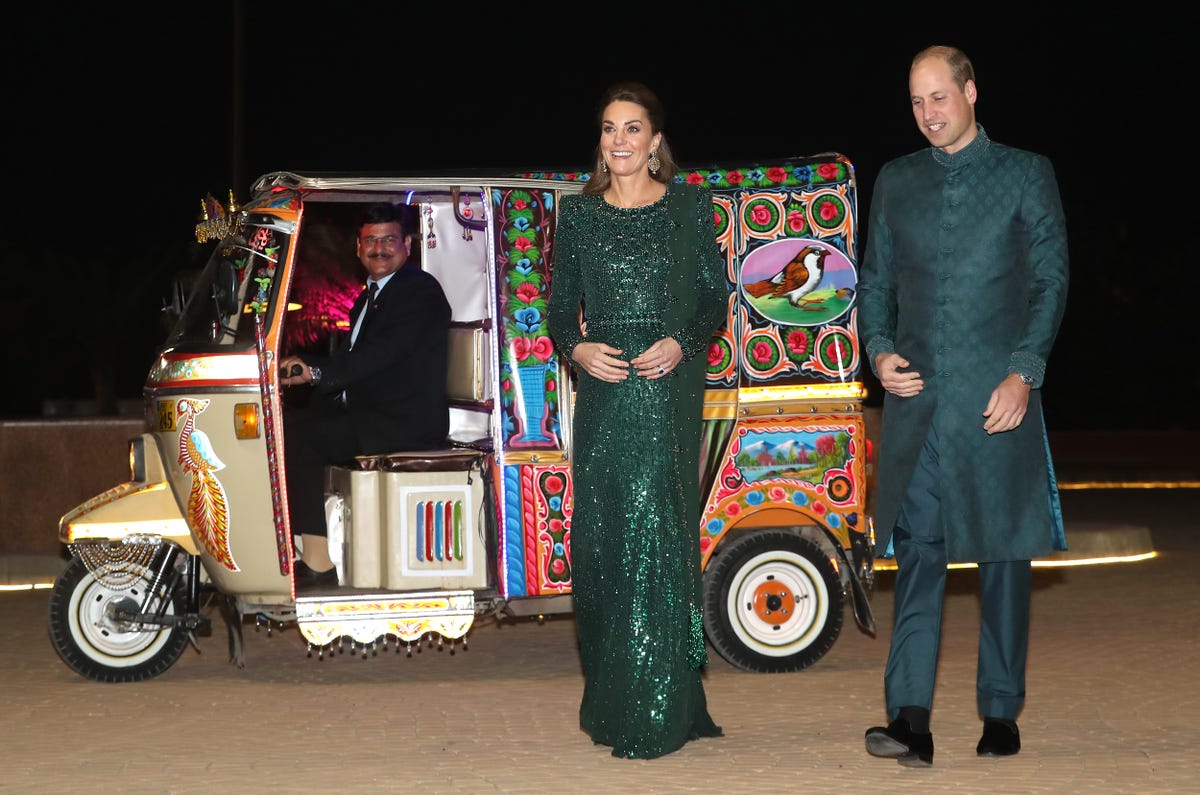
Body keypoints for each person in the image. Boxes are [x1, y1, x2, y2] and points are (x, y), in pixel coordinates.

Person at [856, 45, 1069, 767]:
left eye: (939, 97)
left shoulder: (1024, 172)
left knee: (1004, 554)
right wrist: (880, 351)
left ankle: (1000, 710)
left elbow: (1050, 279)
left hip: (996, 403)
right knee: (919, 554)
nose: (927, 114)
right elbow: (874, 283)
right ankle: (910, 718)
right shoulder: (897, 180)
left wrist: (1023, 371)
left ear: (972, 91)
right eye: (916, 102)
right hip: (919, 411)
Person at [546, 81, 727, 759]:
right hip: (604, 390)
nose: (618, 140)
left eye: (631, 129)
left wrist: (682, 340)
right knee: (603, 540)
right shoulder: (581, 215)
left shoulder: (689, 206)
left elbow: (714, 295)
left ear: (655, 141)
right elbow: (562, 309)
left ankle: (657, 710)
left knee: (654, 531)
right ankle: (614, 696)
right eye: (608, 129)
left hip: (666, 382)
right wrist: (578, 348)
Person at [279, 202, 451, 591]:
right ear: (357, 249)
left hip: (403, 423)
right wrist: (301, 365)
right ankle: (300, 546)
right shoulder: (369, 297)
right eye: (370, 241)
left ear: (407, 244)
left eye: (389, 239)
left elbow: (381, 355)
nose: (379, 248)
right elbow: (352, 360)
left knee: (303, 439)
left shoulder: (418, 291)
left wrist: (318, 371)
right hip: (373, 415)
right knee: (285, 427)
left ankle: (318, 563)